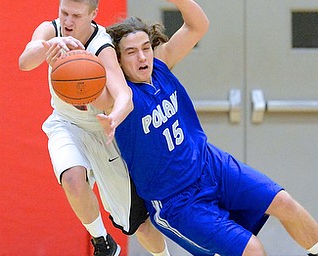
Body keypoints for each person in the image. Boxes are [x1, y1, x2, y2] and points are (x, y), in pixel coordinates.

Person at [98, 0, 318, 255]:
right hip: (177, 201)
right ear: (118, 61)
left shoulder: (161, 64)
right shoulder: (118, 94)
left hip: (211, 165)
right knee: (252, 250)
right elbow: (88, 94)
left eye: (146, 48)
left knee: (284, 203)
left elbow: (197, 26)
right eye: (131, 52)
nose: (142, 56)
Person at [18, 0, 171, 255]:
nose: (68, 21)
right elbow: (25, 61)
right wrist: (48, 47)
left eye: (76, 16)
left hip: (102, 130)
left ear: (93, 14)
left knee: (138, 226)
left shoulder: (102, 46)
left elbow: (124, 96)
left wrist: (113, 119)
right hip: (66, 123)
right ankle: (102, 242)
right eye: (64, 13)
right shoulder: (50, 31)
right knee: (72, 178)